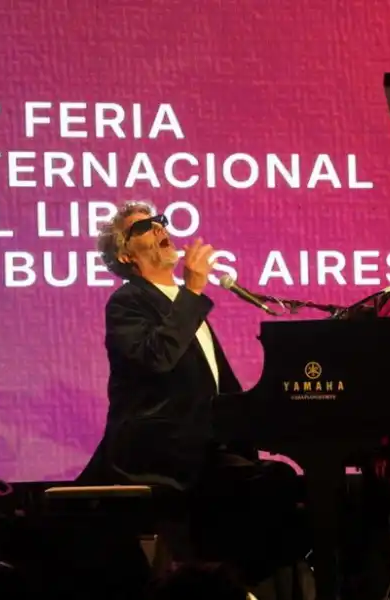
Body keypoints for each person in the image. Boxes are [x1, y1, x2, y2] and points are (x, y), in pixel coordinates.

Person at [78, 202, 311, 595]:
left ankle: (235, 582)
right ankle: (229, 584)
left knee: (278, 485)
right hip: (158, 453)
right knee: (265, 488)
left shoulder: (183, 302)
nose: (159, 228)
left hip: (199, 446)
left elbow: (218, 388)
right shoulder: (129, 301)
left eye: (160, 222)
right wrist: (193, 290)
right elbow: (157, 358)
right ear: (126, 255)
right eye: (144, 227)